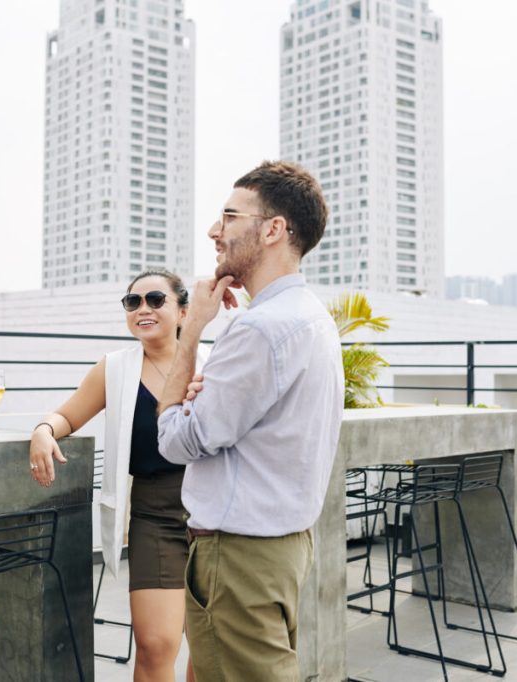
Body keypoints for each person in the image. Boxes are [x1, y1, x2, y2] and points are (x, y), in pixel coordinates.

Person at [156, 160, 344, 681]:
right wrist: (202, 395)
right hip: (280, 550)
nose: (214, 231)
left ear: (273, 230)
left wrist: (192, 331)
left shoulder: (259, 329)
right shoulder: (310, 318)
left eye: (229, 216)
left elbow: (175, 440)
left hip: (238, 560)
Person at [29, 268, 206, 682]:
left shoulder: (211, 363)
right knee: (156, 644)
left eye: (155, 300)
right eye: (133, 302)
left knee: (210, 644)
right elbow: (68, 415)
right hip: (154, 516)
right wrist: (43, 430)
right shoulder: (115, 369)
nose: (142, 309)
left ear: (183, 311)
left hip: (215, 512)